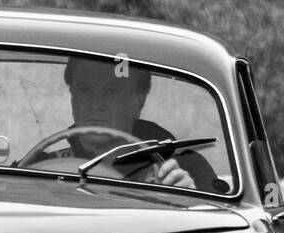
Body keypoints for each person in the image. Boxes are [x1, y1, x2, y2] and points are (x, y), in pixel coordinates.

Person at [62, 57, 218, 191]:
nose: (95, 105)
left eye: (111, 91)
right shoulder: (42, 164)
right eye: (85, 90)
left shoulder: (185, 167)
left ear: (139, 101)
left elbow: (216, 221)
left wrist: (189, 199)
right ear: (72, 97)